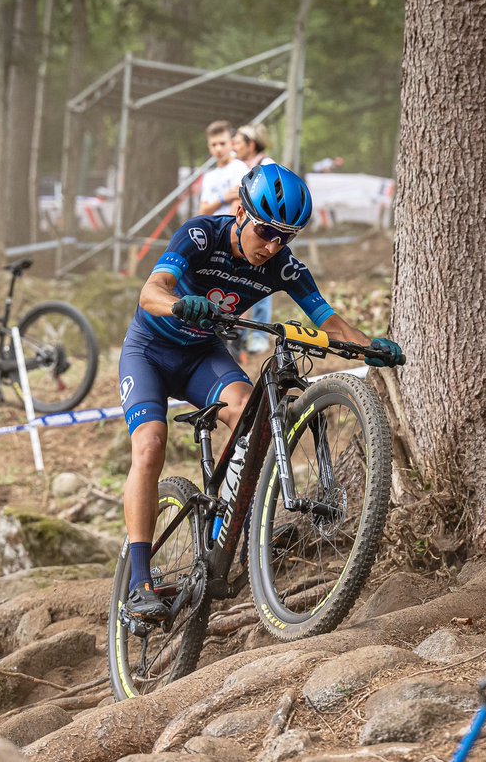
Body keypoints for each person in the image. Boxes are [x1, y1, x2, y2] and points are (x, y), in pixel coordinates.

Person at [117, 163, 404, 623]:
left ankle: (236, 521)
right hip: (149, 351)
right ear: (240, 213)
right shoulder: (200, 237)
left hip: (201, 357)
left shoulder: (282, 265)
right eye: (266, 231)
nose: (271, 245)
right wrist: (179, 304)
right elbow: (150, 291)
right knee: (149, 447)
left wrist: (372, 348)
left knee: (253, 417)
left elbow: (329, 322)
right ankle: (137, 583)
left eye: (284, 237)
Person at [232, 124, 278, 354]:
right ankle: (239, 334)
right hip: (243, 232)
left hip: (264, 233)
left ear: (251, 144)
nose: (234, 146)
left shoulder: (266, 165)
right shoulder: (238, 167)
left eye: (238, 141)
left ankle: (259, 335)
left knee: (260, 283)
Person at [198, 121, 249, 217]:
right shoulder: (208, 176)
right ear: (208, 147)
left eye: (222, 143)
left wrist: (227, 229)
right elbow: (202, 211)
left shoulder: (239, 168)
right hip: (212, 230)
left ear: (231, 143)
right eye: (213, 144)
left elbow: (237, 204)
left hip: (230, 229)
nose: (218, 149)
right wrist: (223, 198)